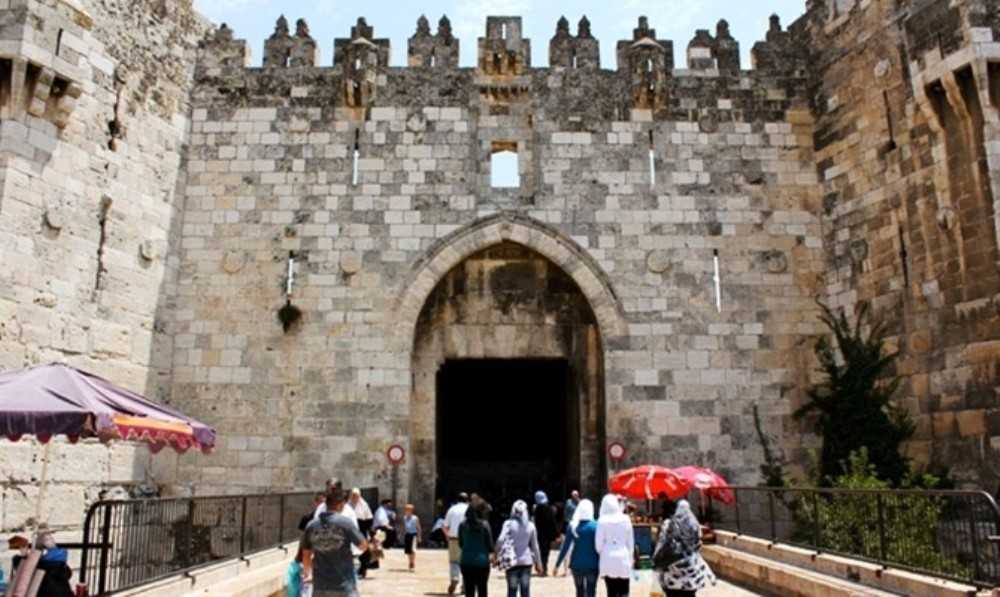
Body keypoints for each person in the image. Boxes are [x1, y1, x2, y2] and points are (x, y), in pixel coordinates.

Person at [302, 487, 369, 597]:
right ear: (340, 505)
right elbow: (362, 546)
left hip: (320, 585)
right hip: (344, 584)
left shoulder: (311, 525)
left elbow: (306, 554)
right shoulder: (346, 523)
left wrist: (308, 573)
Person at [654, 500, 716, 597]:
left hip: (672, 569)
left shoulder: (669, 524)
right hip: (690, 571)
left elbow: (661, 542)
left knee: (672, 593)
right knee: (689, 594)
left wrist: (656, 559)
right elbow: (699, 544)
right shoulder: (695, 525)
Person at [495, 500, 543, 597]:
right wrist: (539, 563)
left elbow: (500, 540)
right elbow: (535, 546)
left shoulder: (508, 524)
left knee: (512, 590)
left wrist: (496, 554)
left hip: (512, 561)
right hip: (526, 561)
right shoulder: (530, 525)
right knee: (525, 591)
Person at [554, 499, 599, 597]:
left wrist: (557, 565)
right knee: (591, 590)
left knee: (579, 591)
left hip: (576, 564)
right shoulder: (596, 526)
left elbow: (565, 547)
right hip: (593, 564)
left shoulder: (573, 526)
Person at [595, 494, 633, 597]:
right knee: (624, 590)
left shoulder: (602, 521)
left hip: (608, 558)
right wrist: (630, 558)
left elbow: (598, 545)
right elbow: (630, 543)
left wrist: (605, 550)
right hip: (623, 557)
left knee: (611, 591)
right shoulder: (626, 519)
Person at [458, 503, 494, 597]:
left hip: (466, 561)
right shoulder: (485, 525)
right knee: (482, 590)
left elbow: (461, 544)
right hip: (482, 562)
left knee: (469, 591)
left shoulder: (462, 525)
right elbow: (490, 545)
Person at [444, 492, 471, 595]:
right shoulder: (470, 509)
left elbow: (445, 526)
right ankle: (465, 585)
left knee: (454, 561)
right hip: (468, 540)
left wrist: (448, 536)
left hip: (454, 539)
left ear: (457, 500)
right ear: (467, 500)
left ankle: (455, 577)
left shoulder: (452, 509)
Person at [350, 489, 375, 578]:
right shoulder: (347, 506)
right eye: (353, 495)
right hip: (350, 530)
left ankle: (363, 569)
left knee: (363, 551)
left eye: (356, 496)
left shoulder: (364, 505)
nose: (354, 498)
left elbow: (369, 519)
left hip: (362, 530)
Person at [531, 491, 558, 576]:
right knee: (545, 552)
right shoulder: (548, 508)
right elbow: (552, 522)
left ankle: (539, 567)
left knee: (538, 551)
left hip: (538, 534)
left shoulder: (536, 509)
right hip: (547, 534)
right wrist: (556, 534)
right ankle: (544, 569)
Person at [402, 504, 422, 571]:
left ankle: (412, 563)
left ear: (411, 511)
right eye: (406, 510)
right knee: (408, 550)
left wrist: (419, 536)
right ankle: (410, 561)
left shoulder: (415, 518)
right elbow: (405, 527)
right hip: (407, 535)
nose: (407, 511)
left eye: (409, 510)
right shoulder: (404, 518)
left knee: (413, 549)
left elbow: (418, 528)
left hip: (413, 535)